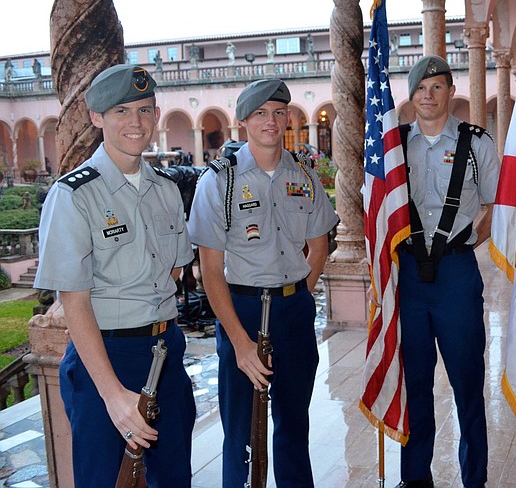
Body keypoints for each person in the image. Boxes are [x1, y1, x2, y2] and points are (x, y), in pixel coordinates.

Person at [34, 64, 196, 486]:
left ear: (156, 116)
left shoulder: (164, 188)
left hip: (165, 350)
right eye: (121, 110)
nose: (135, 122)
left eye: (144, 110)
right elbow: (74, 301)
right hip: (105, 359)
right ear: (96, 117)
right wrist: (112, 394)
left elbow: (175, 268)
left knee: (175, 478)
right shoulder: (73, 195)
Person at [188, 79, 338, 488]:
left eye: (277, 112)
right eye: (260, 113)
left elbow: (318, 247)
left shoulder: (303, 175)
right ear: (243, 121)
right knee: (241, 430)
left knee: (293, 423)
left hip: (294, 309)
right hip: (243, 310)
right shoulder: (220, 180)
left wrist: (299, 298)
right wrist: (238, 341)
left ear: (287, 118)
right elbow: (209, 270)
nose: (270, 121)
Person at [394, 55, 499, 488]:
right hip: (410, 280)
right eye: (420, 88)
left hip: (457, 276)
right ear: (411, 95)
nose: (428, 95)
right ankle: (415, 478)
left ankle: (474, 478)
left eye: (437, 87)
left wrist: (469, 243)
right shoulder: (394, 145)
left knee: (468, 385)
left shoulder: (477, 143)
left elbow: (496, 205)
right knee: (415, 385)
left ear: (451, 91)